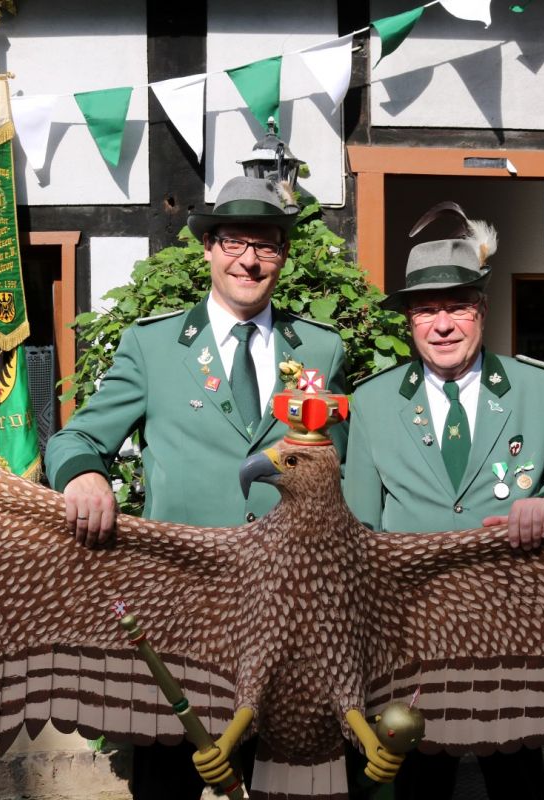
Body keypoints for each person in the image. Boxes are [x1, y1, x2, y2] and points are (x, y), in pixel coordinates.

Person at [44, 175, 347, 799]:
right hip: (181, 614)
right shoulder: (153, 346)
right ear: (208, 248)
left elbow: (339, 471)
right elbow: (76, 438)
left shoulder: (320, 349)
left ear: (283, 255)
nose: (249, 260)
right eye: (234, 241)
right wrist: (85, 475)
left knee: (288, 786)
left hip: (288, 618)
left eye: (265, 245)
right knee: (167, 785)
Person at [342, 218, 544, 800]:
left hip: (511, 629)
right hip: (410, 634)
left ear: (482, 310)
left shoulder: (541, 391)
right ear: (409, 320)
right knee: (419, 781)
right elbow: (359, 525)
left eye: (458, 307)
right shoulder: (371, 402)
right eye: (425, 310)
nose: (442, 325)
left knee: (516, 778)